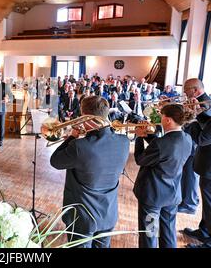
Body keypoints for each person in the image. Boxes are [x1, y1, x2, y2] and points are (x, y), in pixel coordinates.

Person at [50, 96, 130, 248]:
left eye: (81, 115)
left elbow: (55, 161)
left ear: (88, 117)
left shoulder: (80, 146)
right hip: (108, 213)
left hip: (82, 216)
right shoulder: (124, 142)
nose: (79, 119)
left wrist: (71, 138)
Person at [133, 104, 192, 248]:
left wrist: (139, 138)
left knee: (150, 233)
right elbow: (162, 151)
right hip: (172, 194)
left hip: (153, 196)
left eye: (162, 117)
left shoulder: (161, 143)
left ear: (168, 120)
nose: (159, 119)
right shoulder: (187, 138)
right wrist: (149, 135)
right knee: (168, 232)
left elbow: (140, 159)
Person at [184, 76, 211, 248]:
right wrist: (199, 115)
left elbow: (203, 138)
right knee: (210, 205)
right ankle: (204, 232)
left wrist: (190, 121)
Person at [178, 78, 211, 215]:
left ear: (195, 90)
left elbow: (205, 128)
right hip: (189, 142)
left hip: (195, 146)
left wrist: (194, 113)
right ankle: (186, 200)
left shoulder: (206, 103)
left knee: (190, 175)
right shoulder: (199, 101)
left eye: (186, 89)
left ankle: (190, 204)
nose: (184, 92)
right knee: (186, 174)